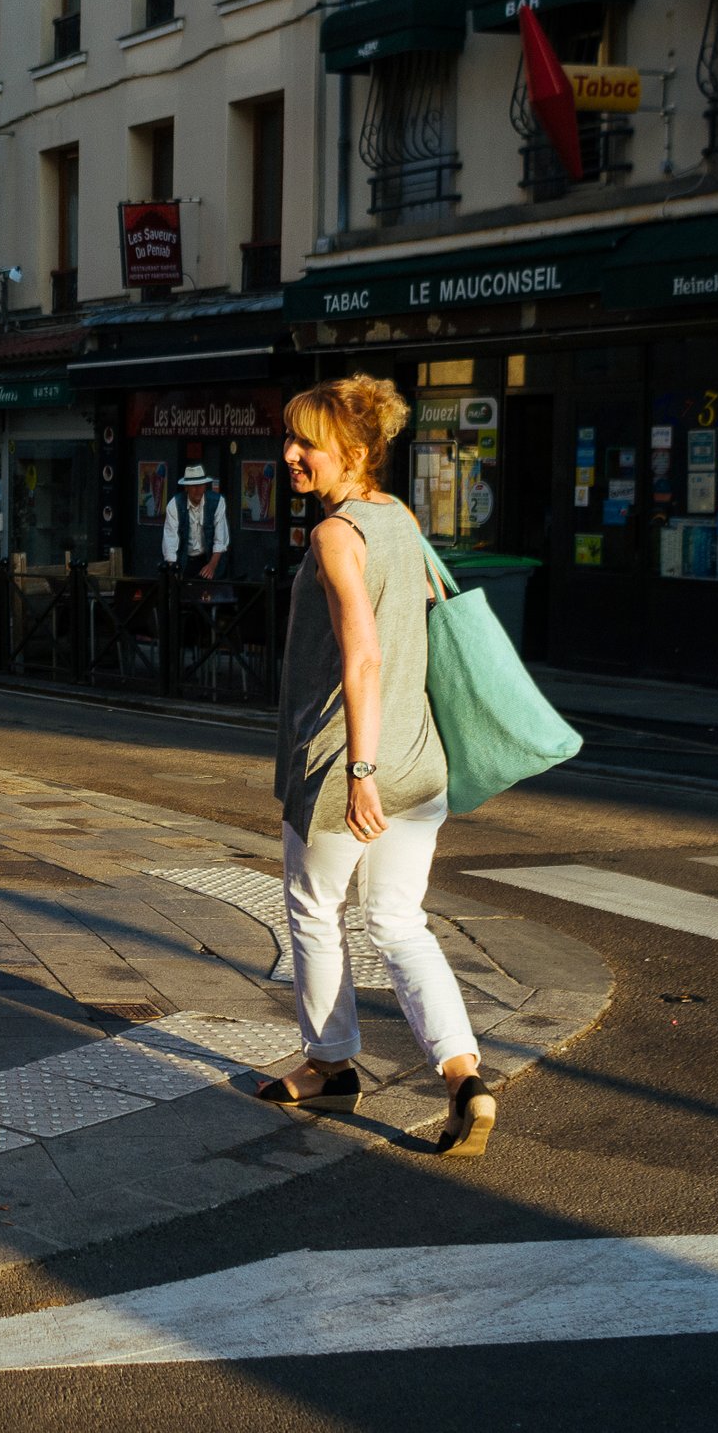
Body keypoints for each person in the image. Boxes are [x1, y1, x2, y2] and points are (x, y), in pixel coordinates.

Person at [261, 374, 496, 1158]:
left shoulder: (337, 534)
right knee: (398, 920)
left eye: (307, 445)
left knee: (314, 909)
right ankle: (465, 1075)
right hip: (420, 760)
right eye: (289, 440)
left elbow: (363, 656)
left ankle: (330, 1062)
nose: (290, 456)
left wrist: (359, 768)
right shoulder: (399, 518)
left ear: (353, 454)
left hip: (347, 761)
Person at [160, 463, 231, 579]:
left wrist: (212, 565)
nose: (198, 489)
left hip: (210, 557)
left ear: (205, 486)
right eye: (193, 486)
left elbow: (221, 539)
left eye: (201, 485)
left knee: (212, 592)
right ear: (186, 488)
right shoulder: (174, 505)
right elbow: (170, 541)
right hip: (185, 559)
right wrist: (173, 569)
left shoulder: (217, 502)